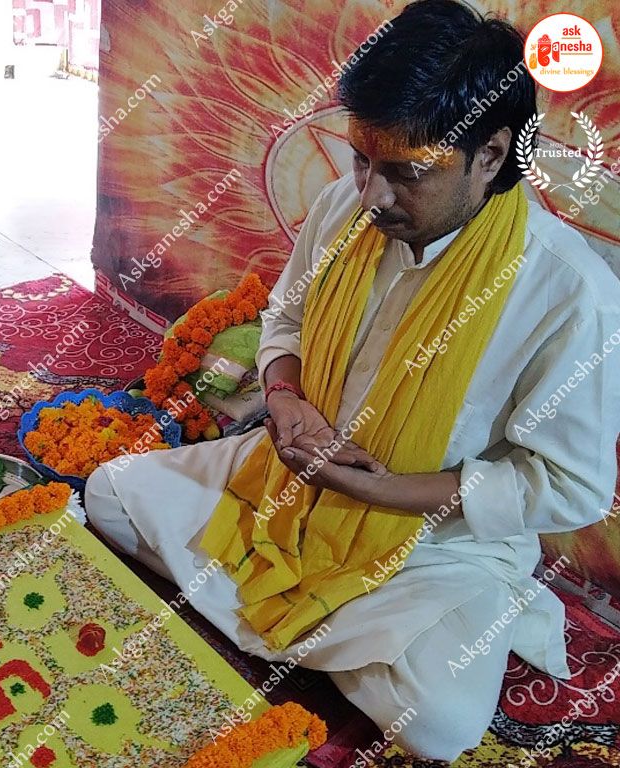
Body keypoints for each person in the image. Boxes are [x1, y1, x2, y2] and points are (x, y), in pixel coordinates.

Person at [84, 0, 620, 760]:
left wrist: (382, 491)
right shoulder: (347, 205)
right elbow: (286, 319)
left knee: (436, 725)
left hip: (434, 542)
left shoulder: (570, 293)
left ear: (492, 154)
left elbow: (569, 487)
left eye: (407, 172)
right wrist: (283, 399)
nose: (372, 195)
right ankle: (331, 638)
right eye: (363, 159)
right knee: (108, 494)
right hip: (287, 476)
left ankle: (324, 618)